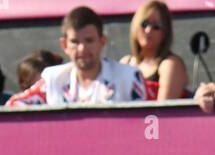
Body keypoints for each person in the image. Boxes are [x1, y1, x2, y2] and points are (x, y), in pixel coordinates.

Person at [8, 6, 145, 107]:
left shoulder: (128, 77)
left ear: (102, 41)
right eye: (75, 42)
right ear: (64, 45)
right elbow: (13, 105)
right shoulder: (53, 79)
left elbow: (148, 121)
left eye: (89, 40)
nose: (82, 48)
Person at [120, 1, 188, 101]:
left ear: (165, 33)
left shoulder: (170, 64)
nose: (148, 30)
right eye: (144, 24)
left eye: (156, 26)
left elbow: (163, 112)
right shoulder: (125, 63)